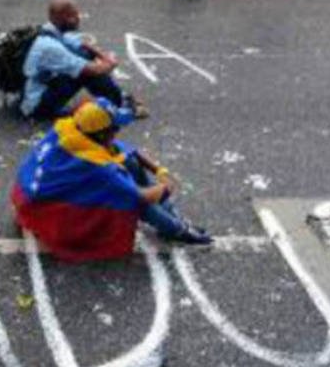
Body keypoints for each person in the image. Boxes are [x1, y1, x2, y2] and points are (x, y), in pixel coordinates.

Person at [12, 98, 212, 262]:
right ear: (101, 133)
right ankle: (175, 229)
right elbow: (140, 197)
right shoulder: (96, 166)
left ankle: (172, 216)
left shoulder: (73, 127)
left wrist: (159, 169)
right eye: (114, 129)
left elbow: (124, 149)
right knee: (130, 203)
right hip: (46, 210)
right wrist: (166, 187)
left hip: (34, 188)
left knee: (130, 163)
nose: (117, 132)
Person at [20, 0, 140, 121]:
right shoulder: (49, 48)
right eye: (73, 16)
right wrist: (111, 63)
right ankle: (119, 104)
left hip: (39, 90)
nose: (78, 19)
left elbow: (82, 45)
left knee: (85, 55)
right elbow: (94, 71)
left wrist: (103, 57)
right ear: (61, 18)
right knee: (84, 73)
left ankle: (118, 99)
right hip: (36, 106)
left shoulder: (50, 30)